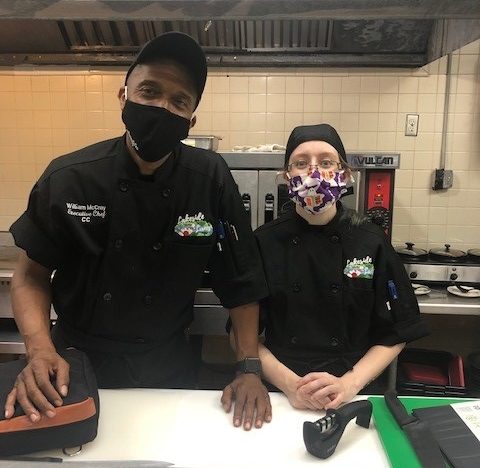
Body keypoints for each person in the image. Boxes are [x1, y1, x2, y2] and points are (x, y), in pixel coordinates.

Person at [5, 32, 271, 431]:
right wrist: (39, 350)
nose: (162, 107)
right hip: (74, 364)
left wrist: (248, 367)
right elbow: (30, 275)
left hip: (168, 367)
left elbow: (241, 281)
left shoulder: (209, 179)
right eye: (150, 91)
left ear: (191, 121)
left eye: (179, 101)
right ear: (124, 96)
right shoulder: (70, 178)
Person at [252, 123, 429, 410]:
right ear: (287, 176)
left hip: (354, 392)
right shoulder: (264, 241)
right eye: (301, 163)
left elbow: (398, 330)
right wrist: (291, 385)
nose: (313, 172)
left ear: (344, 175)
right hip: (282, 395)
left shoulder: (370, 241)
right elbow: (242, 333)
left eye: (326, 163)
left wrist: (348, 384)